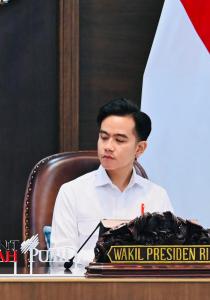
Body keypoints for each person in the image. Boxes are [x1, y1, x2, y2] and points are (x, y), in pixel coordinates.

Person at [49, 98, 173, 261]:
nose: (108, 146)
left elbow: (168, 256)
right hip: (87, 284)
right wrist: (113, 255)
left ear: (139, 148)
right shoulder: (72, 192)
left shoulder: (156, 196)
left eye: (119, 140)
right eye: (104, 137)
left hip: (140, 285)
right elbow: (59, 258)